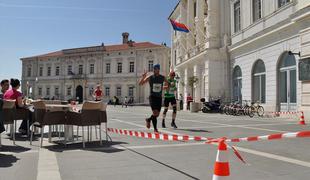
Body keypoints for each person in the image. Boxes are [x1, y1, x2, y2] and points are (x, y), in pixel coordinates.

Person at [139, 64, 168, 133]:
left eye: (156, 69)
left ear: (159, 69)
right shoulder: (150, 77)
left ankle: (148, 119)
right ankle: (155, 129)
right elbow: (140, 84)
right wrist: (143, 77)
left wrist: (164, 87)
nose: (155, 70)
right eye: (154, 69)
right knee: (155, 112)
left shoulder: (162, 77)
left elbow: (167, 84)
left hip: (159, 98)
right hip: (152, 97)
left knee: (157, 114)